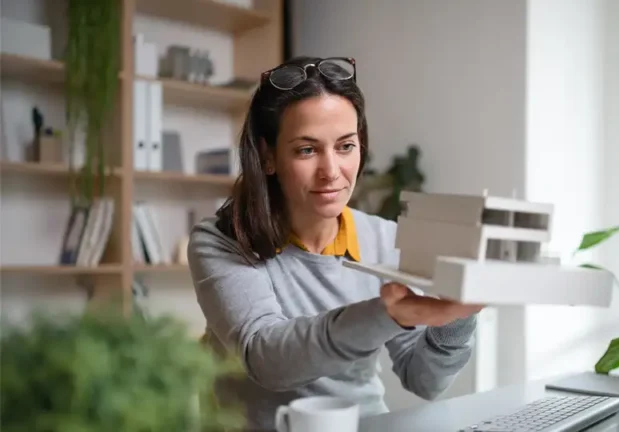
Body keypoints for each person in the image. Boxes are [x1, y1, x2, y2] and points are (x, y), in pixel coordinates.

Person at [188, 56, 483, 430]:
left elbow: (424, 380)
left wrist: (457, 313)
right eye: (306, 150)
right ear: (267, 157)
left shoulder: (384, 238)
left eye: (345, 146)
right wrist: (389, 313)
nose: (332, 171)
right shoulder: (221, 241)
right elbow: (265, 358)